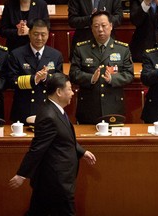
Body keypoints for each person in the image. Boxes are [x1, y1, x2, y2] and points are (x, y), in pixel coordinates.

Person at [9, 73, 96, 216]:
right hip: (56, 180)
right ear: (59, 92)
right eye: (69, 89)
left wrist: (82, 152)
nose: (73, 93)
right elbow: (37, 148)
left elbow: (64, 139)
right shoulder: (49, 115)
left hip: (54, 179)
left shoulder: (56, 110)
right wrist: (22, 174)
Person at [69, 11, 134, 124]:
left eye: (103, 25)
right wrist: (90, 78)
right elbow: (73, 73)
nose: (100, 29)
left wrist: (113, 79)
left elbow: (129, 74)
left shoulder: (122, 49)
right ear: (91, 28)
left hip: (113, 107)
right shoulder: (81, 48)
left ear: (111, 26)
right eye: (96, 26)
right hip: (89, 107)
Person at [8, 18, 63, 124]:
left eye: (43, 35)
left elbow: (59, 81)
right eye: (35, 34)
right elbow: (11, 80)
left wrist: (46, 77)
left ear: (48, 35)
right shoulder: (17, 54)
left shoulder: (56, 55)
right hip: (23, 109)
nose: (39, 38)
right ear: (29, 34)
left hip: (47, 109)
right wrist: (34, 79)